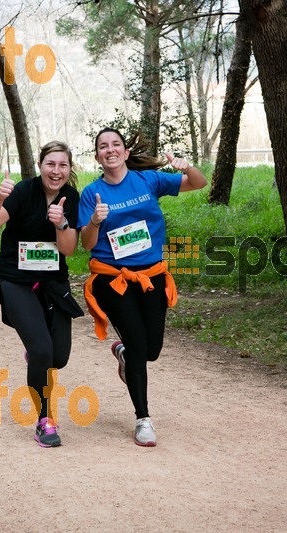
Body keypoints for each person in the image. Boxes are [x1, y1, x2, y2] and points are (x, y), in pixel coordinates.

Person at [78, 128, 207, 446]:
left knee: (151, 350)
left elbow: (199, 182)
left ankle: (122, 353)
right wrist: (95, 220)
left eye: (115, 145)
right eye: (103, 147)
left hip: (152, 277)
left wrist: (184, 166)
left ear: (124, 152)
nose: (110, 150)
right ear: (97, 157)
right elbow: (86, 244)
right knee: (138, 344)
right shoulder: (91, 193)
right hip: (114, 280)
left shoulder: (147, 180)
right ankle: (143, 419)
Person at [0, 141, 83, 448]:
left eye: (63, 165)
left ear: (69, 169)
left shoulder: (71, 197)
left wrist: (61, 222)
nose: (56, 171)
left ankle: (38, 354)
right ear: (40, 166)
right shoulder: (24, 191)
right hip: (16, 280)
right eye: (51, 164)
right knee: (41, 351)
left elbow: (68, 249)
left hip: (53, 283)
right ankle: (44, 421)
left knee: (58, 357)